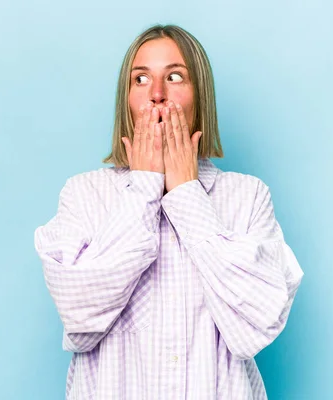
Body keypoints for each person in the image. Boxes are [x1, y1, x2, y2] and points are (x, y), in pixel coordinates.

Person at [34, 24, 303, 400]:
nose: (157, 95)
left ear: (200, 97)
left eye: (175, 77)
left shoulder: (247, 196)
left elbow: (254, 326)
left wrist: (186, 193)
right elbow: (80, 317)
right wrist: (144, 186)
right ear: (126, 99)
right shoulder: (85, 194)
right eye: (141, 79)